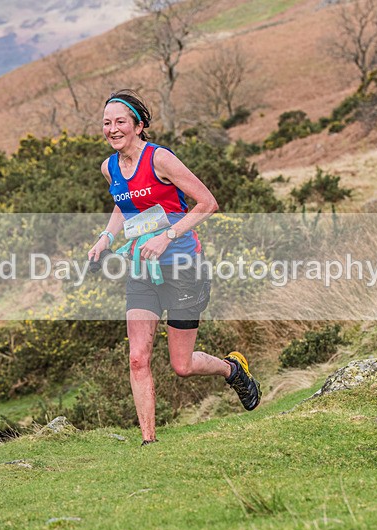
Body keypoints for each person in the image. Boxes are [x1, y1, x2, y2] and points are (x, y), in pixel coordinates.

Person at [88, 90, 261, 446]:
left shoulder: (160, 160)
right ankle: (149, 442)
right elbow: (124, 205)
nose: (113, 129)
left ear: (139, 125)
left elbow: (207, 203)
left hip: (183, 266)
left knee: (182, 366)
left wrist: (168, 235)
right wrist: (106, 237)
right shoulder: (109, 168)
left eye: (120, 121)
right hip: (142, 270)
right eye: (107, 123)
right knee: (138, 358)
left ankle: (232, 369)